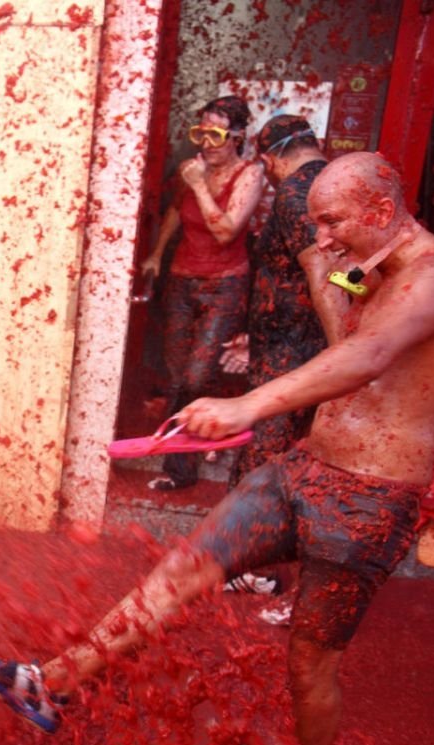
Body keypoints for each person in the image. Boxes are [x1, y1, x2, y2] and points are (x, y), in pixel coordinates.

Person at [0, 152, 434, 745]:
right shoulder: (369, 267)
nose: (321, 236)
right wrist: (327, 270)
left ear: (381, 212)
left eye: (331, 223)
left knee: (309, 664)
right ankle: (49, 684)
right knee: (181, 569)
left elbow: (369, 357)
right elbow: (345, 344)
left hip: (371, 500)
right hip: (303, 467)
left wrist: (247, 405)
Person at [219, 115, 336, 599]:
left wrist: (343, 335)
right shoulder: (328, 187)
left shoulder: (294, 195)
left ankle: (252, 566)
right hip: (289, 340)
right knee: (272, 450)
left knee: (264, 453)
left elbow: (326, 273)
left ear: (269, 159)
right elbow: (340, 275)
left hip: (293, 347)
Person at [141, 95, 264, 490]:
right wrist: (157, 254)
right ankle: (185, 461)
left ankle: (189, 455)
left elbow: (226, 230)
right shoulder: (192, 171)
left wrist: (200, 186)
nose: (207, 144)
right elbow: (178, 212)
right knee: (178, 373)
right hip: (181, 278)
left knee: (197, 376)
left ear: (237, 136)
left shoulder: (249, 173)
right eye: (201, 134)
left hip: (225, 282)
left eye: (215, 135)